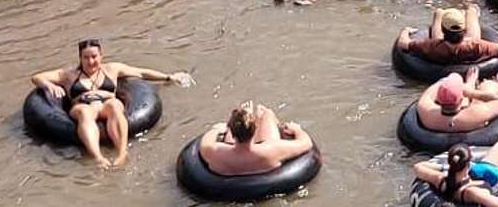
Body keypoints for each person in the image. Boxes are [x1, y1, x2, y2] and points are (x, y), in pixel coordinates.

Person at [28, 39, 192, 167]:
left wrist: (168, 77)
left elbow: (141, 72)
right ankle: (98, 157)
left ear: (101, 56)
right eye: (86, 57)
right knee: (84, 113)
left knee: (114, 106)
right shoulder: (68, 75)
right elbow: (37, 77)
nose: (91, 61)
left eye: (94, 57)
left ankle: (122, 153)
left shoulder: (112, 69)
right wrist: (49, 85)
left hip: (108, 104)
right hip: (84, 107)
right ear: (80, 58)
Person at [196, 101, 316, 177]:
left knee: (237, 132)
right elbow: (306, 143)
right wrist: (297, 130)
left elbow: (205, 140)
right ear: (255, 130)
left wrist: (217, 130)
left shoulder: (216, 153)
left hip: (230, 156)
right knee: (267, 113)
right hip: (262, 155)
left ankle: (247, 118)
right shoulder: (273, 149)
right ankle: (259, 117)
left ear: (231, 132)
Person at [398, 4, 498, 70]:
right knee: (471, 10)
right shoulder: (476, 46)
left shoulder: (431, 46)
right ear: (464, 31)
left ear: (443, 30)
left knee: (439, 12)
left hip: (442, 48)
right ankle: (468, 12)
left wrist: (405, 31)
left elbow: (403, 43)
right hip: (466, 48)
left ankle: (446, 15)